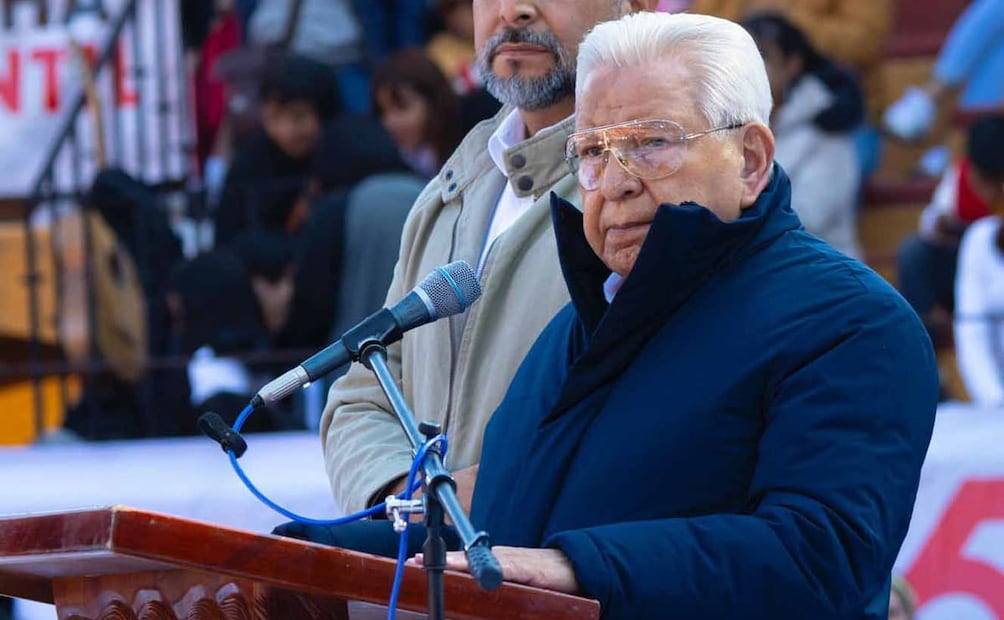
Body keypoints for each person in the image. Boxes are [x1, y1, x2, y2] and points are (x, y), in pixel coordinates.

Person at [275, 13, 937, 620]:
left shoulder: (853, 323)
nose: (616, 180)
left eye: (652, 142)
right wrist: (294, 558)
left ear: (752, 159)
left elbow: (821, 559)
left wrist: (576, 568)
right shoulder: (577, 330)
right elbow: (499, 534)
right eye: (593, 151)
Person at [317, 0, 657, 517]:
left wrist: (502, 493)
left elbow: (673, 415)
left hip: (576, 586)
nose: (513, 11)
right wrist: (405, 500)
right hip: (435, 581)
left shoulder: (657, 189)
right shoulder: (453, 185)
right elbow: (366, 388)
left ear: (638, 6)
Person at [743, 12, 864, 258]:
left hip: (821, 274)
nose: (748, 67)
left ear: (792, 64)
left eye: (762, 56)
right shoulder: (726, 126)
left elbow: (808, 218)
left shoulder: (827, 126)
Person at [212, 54, 340, 247]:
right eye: (274, 116)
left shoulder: (341, 163)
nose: (286, 130)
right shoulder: (249, 166)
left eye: (298, 116)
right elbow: (227, 238)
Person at [897, 114, 1004, 336]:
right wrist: (945, 226)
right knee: (913, 251)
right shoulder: (960, 178)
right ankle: (926, 333)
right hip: (961, 263)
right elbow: (930, 223)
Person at [370, 49, 464, 179]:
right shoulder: (388, 166)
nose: (390, 122)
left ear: (433, 102)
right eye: (382, 111)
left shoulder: (470, 152)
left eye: (402, 107)